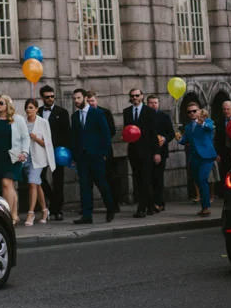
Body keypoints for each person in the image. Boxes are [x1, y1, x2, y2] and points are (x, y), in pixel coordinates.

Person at [69, 87, 116, 224]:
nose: (76, 101)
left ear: (84, 98)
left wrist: (104, 154)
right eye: (74, 99)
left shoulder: (97, 113)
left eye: (78, 98)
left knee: (102, 184)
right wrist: (74, 157)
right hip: (82, 159)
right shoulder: (75, 116)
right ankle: (87, 216)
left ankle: (110, 209)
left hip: (96, 157)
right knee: (84, 187)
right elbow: (74, 138)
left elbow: (106, 135)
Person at [0, 95, 29, 223]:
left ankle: (6, 216)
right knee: (10, 186)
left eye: (1, 103)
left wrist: (24, 152)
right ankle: (14, 215)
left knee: (6, 184)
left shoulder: (17, 119)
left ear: (8, 104)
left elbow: (26, 137)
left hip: (13, 156)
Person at [37, 84, 70, 221]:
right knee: (40, 177)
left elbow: (67, 132)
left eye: (52, 96)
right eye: (47, 97)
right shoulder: (38, 111)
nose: (50, 99)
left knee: (58, 180)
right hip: (41, 150)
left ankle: (58, 209)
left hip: (57, 150)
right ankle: (52, 199)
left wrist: (65, 150)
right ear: (42, 98)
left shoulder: (62, 112)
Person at [177, 102, 218, 215]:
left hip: (206, 156)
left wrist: (202, 123)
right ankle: (204, 205)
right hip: (194, 157)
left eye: (194, 111)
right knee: (198, 182)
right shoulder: (188, 127)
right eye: (189, 112)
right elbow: (185, 141)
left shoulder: (207, 121)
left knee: (202, 179)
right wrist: (179, 138)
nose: (192, 113)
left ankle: (206, 207)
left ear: (199, 111)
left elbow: (210, 128)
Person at [121, 88, 157, 217]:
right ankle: (150, 205)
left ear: (142, 96)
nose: (135, 98)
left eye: (137, 95)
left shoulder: (149, 112)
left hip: (147, 151)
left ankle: (141, 209)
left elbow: (154, 134)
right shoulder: (127, 112)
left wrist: (156, 152)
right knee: (138, 179)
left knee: (145, 179)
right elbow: (127, 130)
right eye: (132, 96)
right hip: (133, 151)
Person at [23, 98, 56, 226]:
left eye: (31, 107)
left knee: (32, 183)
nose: (28, 110)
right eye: (27, 107)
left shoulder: (43, 122)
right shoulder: (22, 122)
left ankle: (30, 213)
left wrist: (36, 139)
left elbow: (48, 143)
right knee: (37, 184)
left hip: (38, 159)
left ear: (37, 109)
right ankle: (45, 210)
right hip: (26, 158)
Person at [148, 94, 174, 213]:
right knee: (149, 179)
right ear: (147, 104)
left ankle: (159, 203)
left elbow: (171, 133)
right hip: (148, 152)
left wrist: (164, 138)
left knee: (158, 179)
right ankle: (151, 202)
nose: (153, 105)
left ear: (159, 104)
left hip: (161, 152)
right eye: (151, 103)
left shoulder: (164, 116)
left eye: (155, 103)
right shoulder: (145, 115)